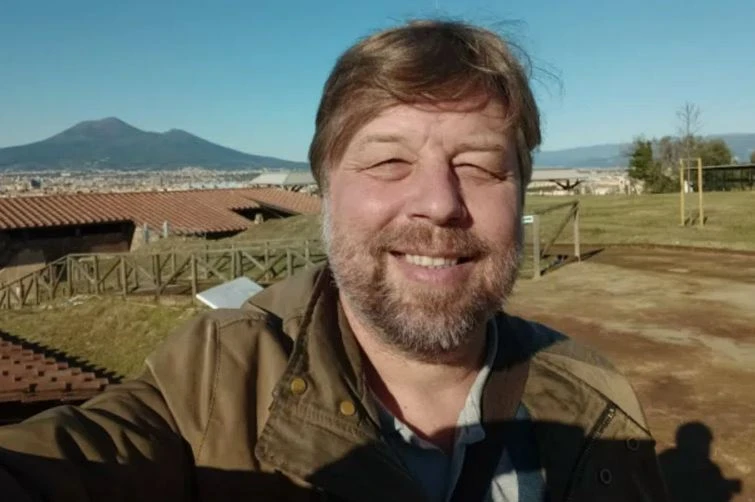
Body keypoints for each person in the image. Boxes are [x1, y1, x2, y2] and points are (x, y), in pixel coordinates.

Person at [0, 19, 669, 502]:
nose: (439, 204)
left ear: (519, 193)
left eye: (479, 165)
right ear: (324, 191)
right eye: (388, 161)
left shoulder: (594, 398)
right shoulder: (212, 383)